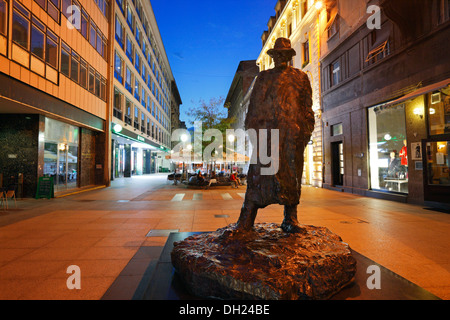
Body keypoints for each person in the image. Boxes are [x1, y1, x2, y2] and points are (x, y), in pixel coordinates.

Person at [236, 38, 315, 234]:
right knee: (258, 175)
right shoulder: (263, 77)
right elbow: (254, 106)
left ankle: (291, 218)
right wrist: (253, 131)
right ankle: (246, 219)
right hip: (267, 134)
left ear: (289, 57)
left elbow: (307, 107)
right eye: (277, 54)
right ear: (272, 57)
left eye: (284, 55)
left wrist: (305, 131)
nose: (280, 57)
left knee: (292, 176)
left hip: (291, 135)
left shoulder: (301, 77)